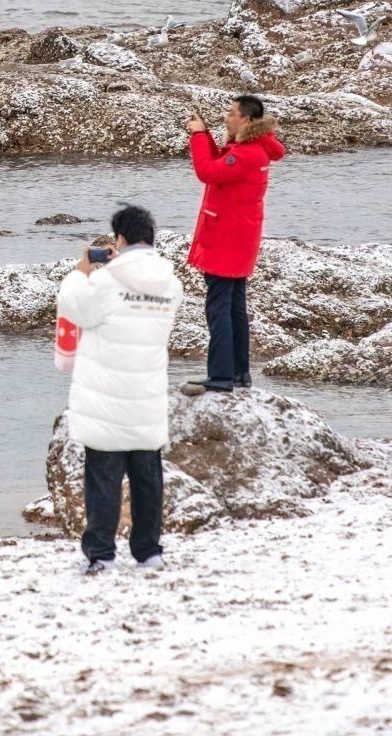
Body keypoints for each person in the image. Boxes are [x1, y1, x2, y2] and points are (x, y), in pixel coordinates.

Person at [55, 204, 179, 575]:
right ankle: (149, 552)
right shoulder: (170, 284)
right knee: (147, 481)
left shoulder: (107, 282)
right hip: (146, 396)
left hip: (106, 399)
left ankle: (102, 554)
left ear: (120, 239)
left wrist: (82, 270)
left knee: (103, 482)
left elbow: (74, 307)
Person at [181, 95, 286, 397]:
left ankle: (221, 376)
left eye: (231, 113)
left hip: (226, 241)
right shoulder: (252, 149)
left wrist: (199, 136)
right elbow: (220, 166)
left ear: (247, 120)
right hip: (239, 239)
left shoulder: (247, 154)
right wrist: (211, 138)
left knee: (219, 309)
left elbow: (208, 172)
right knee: (234, 307)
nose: (226, 117)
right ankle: (239, 374)